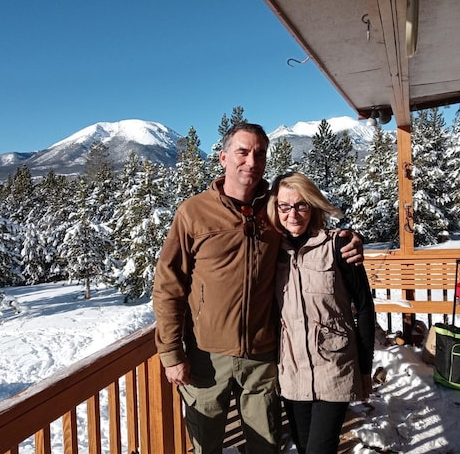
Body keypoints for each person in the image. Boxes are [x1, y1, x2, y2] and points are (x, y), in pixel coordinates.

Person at [152, 122, 364, 454]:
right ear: (223, 157)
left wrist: (348, 237)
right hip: (207, 356)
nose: (251, 161)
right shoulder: (194, 212)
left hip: (263, 356)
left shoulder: (273, 210)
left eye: (259, 153)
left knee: (266, 446)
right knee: (205, 445)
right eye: (242, 152)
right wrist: (170, 352)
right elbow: (168, 284)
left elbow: (307, 227)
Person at [267, 172, 375, 454]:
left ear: (313, 206)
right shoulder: (270, 253)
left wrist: (365, 368)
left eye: (301, 204)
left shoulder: (338, 245)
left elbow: (364, 307)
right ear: (275, 209)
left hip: (334, 367)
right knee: (304, 448)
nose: (293, 214)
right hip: (292, 371)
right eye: (284, 206)